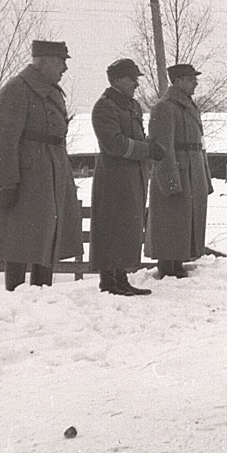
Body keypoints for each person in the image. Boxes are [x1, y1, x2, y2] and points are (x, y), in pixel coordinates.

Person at [0, 40, 83, 291]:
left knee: (48, 238)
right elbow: (1, 139)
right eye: (60, 62)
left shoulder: (52, 91)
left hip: (51, 175)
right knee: (19, 241)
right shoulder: (17, 90)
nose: (64, 68)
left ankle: (42, 297)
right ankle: (16, 298)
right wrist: (7, 182)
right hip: (27, 178)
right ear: (42, 61)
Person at [89, 58, 164, 296]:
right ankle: (109, 281)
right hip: (113, 175)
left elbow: (136, 137)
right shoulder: (105, 107)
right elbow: (114, 144)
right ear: (119, 79)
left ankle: (120, 278)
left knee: (127, 226)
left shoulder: (131, 106)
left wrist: (150, 146)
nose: (136, 84)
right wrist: (147, 150)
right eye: (133, 79)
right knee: (112, 225)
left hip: (133, 174)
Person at [146, 63, 214, 278]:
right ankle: (168, 264)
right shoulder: (165, 107)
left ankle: (178, 261)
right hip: (179, 169)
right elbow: (162, 147)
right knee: (171, 218)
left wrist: (206, 176)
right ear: (177, 81)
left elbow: (199, 144)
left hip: (193, 169)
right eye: (190, 78)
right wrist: (169, 181)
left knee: (186, 218)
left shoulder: (189, 106)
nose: (195, 82)